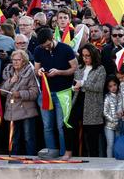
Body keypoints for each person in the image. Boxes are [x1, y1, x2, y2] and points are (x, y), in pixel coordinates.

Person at [34, 27, 77, 157]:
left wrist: (59, 72)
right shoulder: (38, 50)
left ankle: (65, 153)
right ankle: (51, 153)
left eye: (47, 45)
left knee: (61, 126)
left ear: (52, 38)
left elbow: (74, 68)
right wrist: (40, 72)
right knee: (47, 126)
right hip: (46, 93)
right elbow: (36, 70)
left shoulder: (65, 49)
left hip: (63, 93)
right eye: (43, 46)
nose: (46, 48)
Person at [62, 44, 106, 159]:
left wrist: (83, 84)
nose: (85, 58)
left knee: (91, 134)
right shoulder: (80, 68)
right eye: (83, 56)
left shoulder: (100, 69)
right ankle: (69, 151)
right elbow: (75, 83)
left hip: (93, 104)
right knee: (68, 124)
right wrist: (75, 87)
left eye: (88, 56)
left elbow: (99, 87)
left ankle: (93, 158)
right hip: (78, 100)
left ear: (93, 56)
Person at [0, 50, 38, 155]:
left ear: (24, 61)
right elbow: (2, 92)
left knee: (29, 138)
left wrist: (20, 94)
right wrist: (11, 81)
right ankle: (13, 162)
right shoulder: (7, 71)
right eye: (13, 59)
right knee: (13, 139)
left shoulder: (31, 72)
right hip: (11, 110)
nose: (15, 62)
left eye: (18, 60)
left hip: (26, 111)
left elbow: (35, 93)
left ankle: (31, 162)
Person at [103, 76, 120, 158]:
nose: (113, 87)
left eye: (114, 85)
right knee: (110, 144)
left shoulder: (120, 95)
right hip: (109, 126)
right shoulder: (107, 97)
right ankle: (109, 162)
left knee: (118, 144)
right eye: (110, 86)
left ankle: (117, 160)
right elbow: (105, 112)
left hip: (119, 126)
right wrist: (113, 120)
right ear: (107, 87)